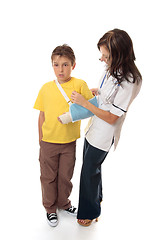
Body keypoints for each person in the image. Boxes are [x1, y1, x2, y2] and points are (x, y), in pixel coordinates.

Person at [70, 29, 142, 226]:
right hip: (93, 129)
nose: (101, 59)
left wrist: (85, 103)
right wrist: (98, 92)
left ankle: (90, 212)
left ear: (119, 55)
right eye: (102, 54)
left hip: (104, 133)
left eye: (106, 56)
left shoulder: (130, 81)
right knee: (92, 168)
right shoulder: (112, 69)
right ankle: (96, 198)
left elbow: (111, 117)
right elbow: (108, 96)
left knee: (88, 171)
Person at [33, 44, 93, 227]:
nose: (61, 69)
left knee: (65, 176)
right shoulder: (45, 88)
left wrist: (89, 98)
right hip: (48, 142)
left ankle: (64, 203)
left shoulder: (80, 84)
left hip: (69, 142)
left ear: (73, 65)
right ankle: (50, 208)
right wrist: (40, 139)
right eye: (56, 64)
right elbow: (41, 115)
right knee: (48, 176)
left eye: (65, 64)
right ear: (52, 65)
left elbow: (92, 107)